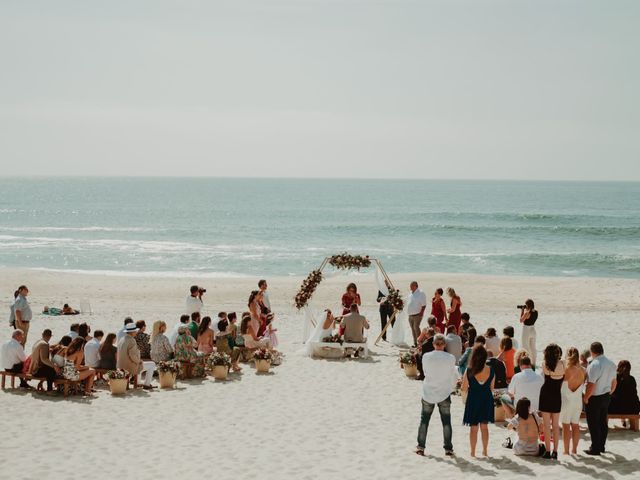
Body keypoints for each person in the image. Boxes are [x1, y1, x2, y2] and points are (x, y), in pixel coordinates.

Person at [416, 334, 458, 457]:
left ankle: (421, 447)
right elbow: (452, 374)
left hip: (429, 391)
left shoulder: (426, 356)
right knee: (446, 421)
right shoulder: (450, 358)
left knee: (424, 421)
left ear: (434, 344)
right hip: (444, 391)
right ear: (444, 344)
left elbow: (425, 371)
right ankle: (448, 449)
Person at [583, 342, 617, 455]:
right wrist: (610, 393)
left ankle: (595, 448)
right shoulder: (611, 364)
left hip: (595, 397)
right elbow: (614, 382)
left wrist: (586, 397)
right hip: (606, 396)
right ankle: (601, 446)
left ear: (592, 352)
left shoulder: (594, 364)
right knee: (603, 422)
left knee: (593, 423)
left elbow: (591, 384)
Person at [461, 345, 494, 458]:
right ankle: (485, 451)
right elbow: (491, 388)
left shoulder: (470, 370)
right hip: (486, 399)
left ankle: (473, 452)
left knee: (473, 428)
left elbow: (464, 388)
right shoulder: (491, 370)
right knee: (484, 427)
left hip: (473, 399)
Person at [538, 343, 565, 459]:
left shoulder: (545, 364)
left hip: (545, 395)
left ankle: (548, 451)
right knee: (555, 425)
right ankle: (555, 451)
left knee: (546, 425)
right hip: (556, 395)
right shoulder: (563, 364)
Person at [560, 347, 586, 455]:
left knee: (566, 426)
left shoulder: (565, 370)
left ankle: (566, 451)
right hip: (577, 402)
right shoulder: (583, 370)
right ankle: (574, 450)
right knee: (575, 425)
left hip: (566, 401)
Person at [117, 323, 156, 390]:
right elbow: (132, 356)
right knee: (152, 364)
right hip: (129, 366)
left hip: (121, 365)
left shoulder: (122, 339)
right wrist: (139, 361)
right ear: (132, 332)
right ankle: (147, 384)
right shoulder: (132, 340)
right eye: (135, 331)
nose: (136, 332)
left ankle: (138, 382)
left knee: (139, 363)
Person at [407, 281, 427, 347]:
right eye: (410, 286)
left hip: (417, 314)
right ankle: (415, 342)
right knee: (413, 329)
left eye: (411, 286)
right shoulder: (410, 293)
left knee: (416, 328)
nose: (410, 287)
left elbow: (424, 304)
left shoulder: (421, 293)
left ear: (415, 286)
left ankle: (419, 343)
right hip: (410, 315)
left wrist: (421, 312)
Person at [519, 299, 538, 366]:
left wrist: (522, 311)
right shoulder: (536, 312)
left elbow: (521, 320)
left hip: (526, 329)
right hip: (533, 329)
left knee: (525, 347)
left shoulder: (527, 313)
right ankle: (534, 362)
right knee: (533, 347)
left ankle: (526, 363)